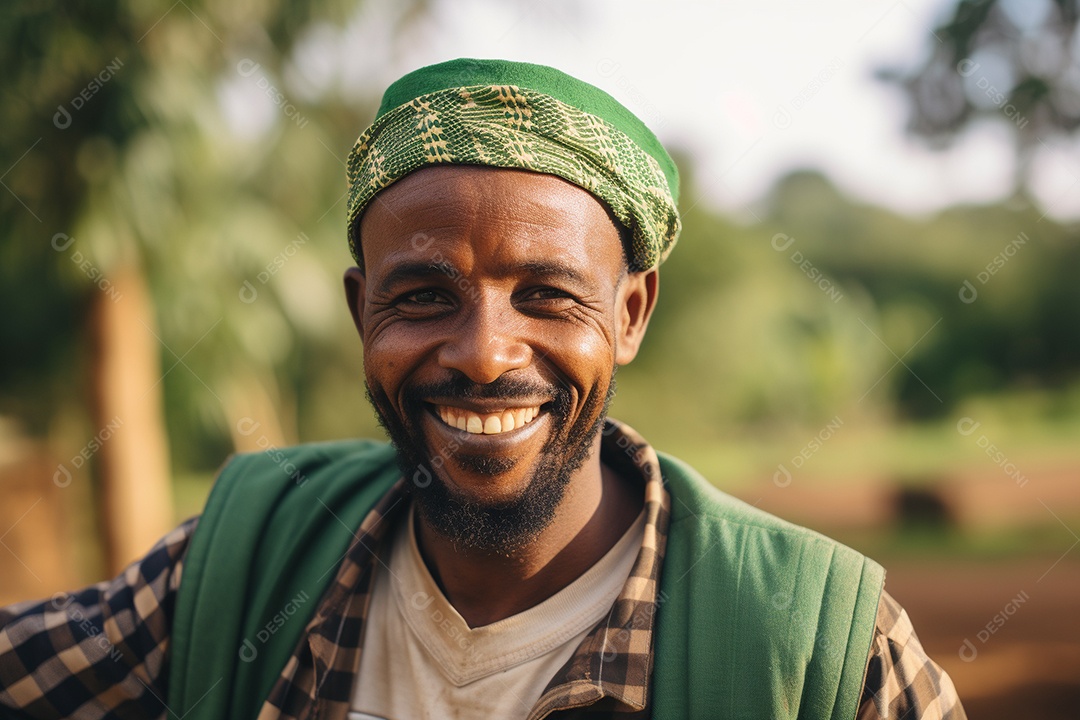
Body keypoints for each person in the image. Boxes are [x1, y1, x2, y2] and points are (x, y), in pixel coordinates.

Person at [0, 58, 966, 720]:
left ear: (630, 314)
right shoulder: (244, 562)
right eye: (424, 296)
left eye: (546, 296)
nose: (484, 354)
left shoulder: (819, 654)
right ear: (361, 310)